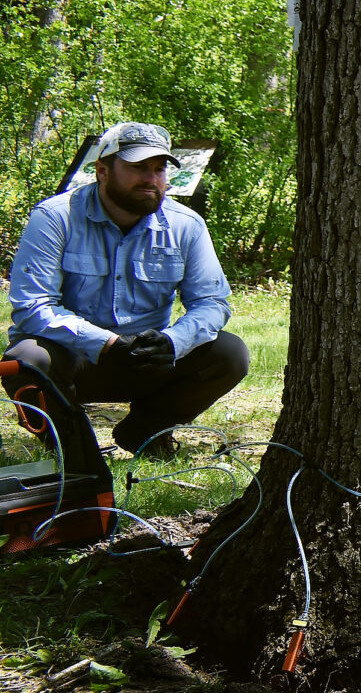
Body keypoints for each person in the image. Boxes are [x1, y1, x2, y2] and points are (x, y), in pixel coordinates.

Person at [4, 122, 249, 459]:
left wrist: (174, 342)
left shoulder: (186, 225)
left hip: (147, 360)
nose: (151, 178)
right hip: (74, 358)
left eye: (159, 168)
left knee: (229, 353)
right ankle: (74, 450)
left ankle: (145, 433)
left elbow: (211, 302)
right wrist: (106, 344)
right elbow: (32, 307)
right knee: (26, 359)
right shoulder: (54, 217)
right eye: (137, 167)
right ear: (102, 171)